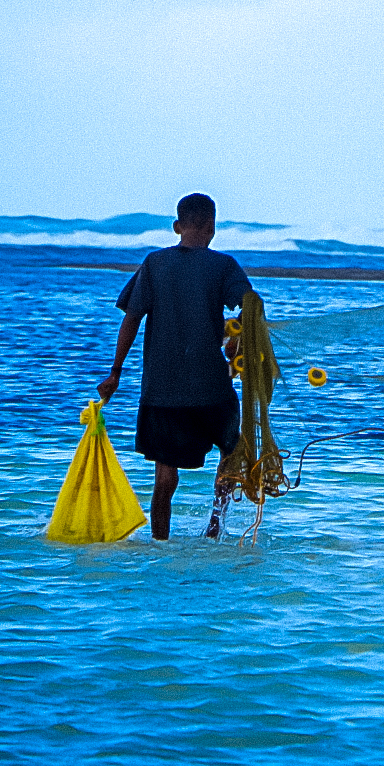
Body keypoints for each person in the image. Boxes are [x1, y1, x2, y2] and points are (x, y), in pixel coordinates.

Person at [97, 193, 252, 541]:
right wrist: (238, 342)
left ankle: (160, 541)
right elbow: (250, 307)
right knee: (231, 451)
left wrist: (115, 372)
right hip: (212, 386)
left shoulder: (153, 263)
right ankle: (215, 526)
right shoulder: (225, 265)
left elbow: (132, 319)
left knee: (165, 479)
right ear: (212, 228)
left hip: (162, 389)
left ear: (177, 227)